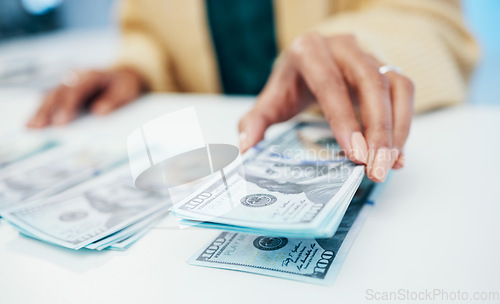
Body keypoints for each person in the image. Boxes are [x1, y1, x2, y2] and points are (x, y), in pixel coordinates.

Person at [26, 0, 479, 183]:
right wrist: (135, 68)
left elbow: (431, 19)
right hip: (213, 147)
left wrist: (362, 52)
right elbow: (149, 29)